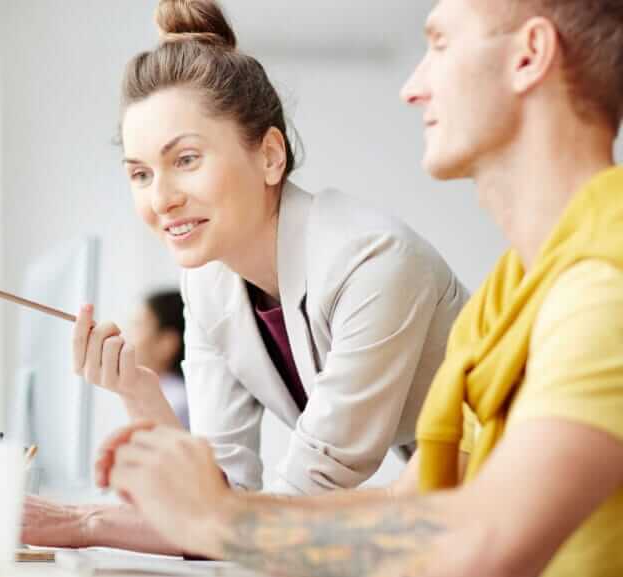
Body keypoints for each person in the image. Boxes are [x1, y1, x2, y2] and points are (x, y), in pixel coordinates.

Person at [99, 0, 623, 575]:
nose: (412, 86)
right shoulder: (506, 298)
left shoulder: (605, 286)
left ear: (529, 56)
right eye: (140, 172)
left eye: (441, 44)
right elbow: (420, 514)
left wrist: (221, 520)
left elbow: (484, 541)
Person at [22, 0, 468, 553]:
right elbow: (221, 495)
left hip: (524, 505)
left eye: (186, 159)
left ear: (270, 157)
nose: (161, 199)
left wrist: (84, 523)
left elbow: (296, 502)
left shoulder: (372, 263)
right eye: (140, 173)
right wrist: (142, 394)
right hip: (443, 510)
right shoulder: (209, 282)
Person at [129, 290, 189, 429]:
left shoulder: (176, 404)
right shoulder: (164, 395)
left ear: (166, 343)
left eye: (138, 326)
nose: (125, 335)